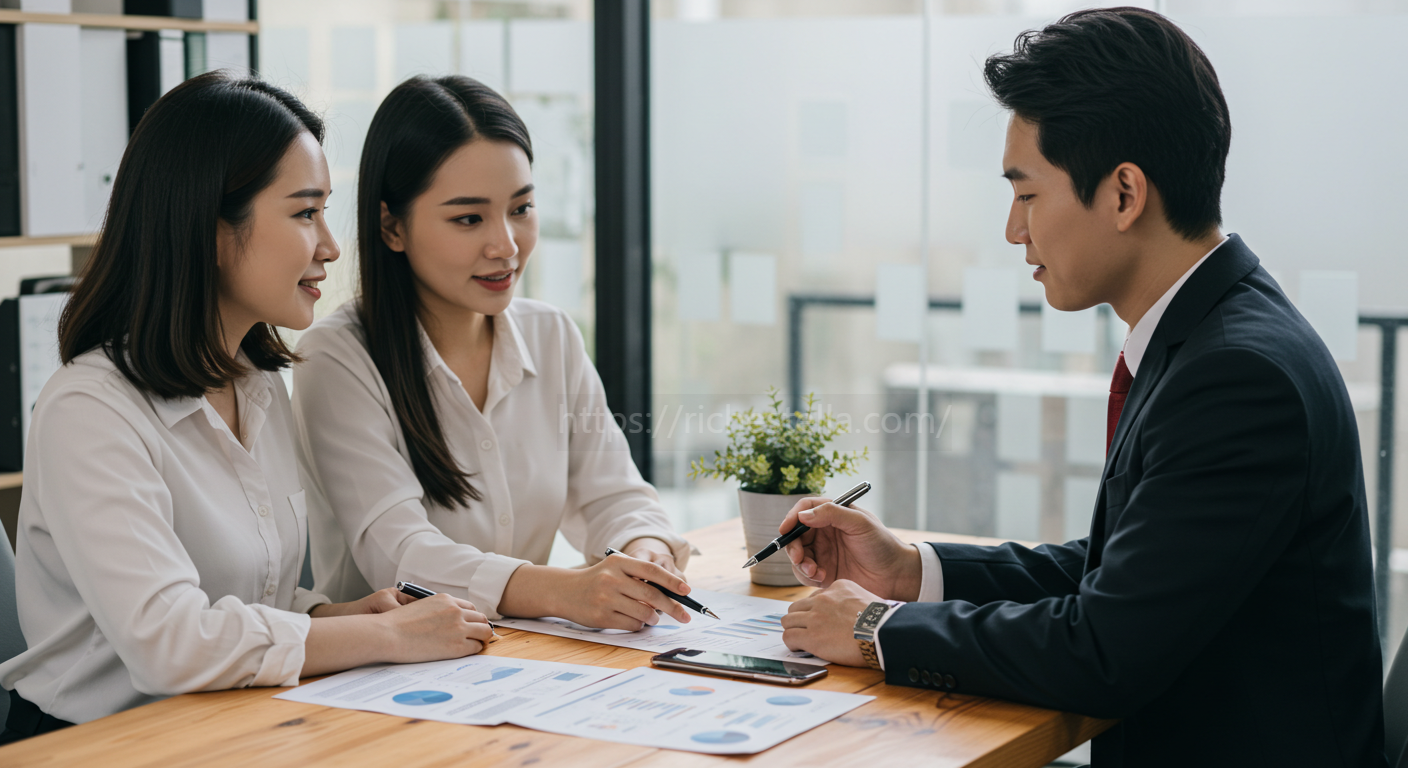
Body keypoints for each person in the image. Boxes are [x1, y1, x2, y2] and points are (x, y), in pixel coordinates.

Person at [777, 9, 1385, 767]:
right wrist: (912, 573)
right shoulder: (1211, 335)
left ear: (1125, 193)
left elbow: (1105, 650)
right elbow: (1119, 575)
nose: (1013, 230)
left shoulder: (1237, 376)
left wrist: (875, 631)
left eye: (1028, 195)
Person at [0, 72, 493, 742]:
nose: (330, 246)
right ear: (208, 227)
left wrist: (332, 618)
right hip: (94, 746)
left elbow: (249, 594)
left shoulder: (257, 385)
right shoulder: (89, 410)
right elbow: (171, 641)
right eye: (302, 213)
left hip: (230, 724)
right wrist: (384, 637)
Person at [292, 75, 693, 631]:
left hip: (519, 664)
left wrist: (643, 550)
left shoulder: (551, 335)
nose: (505, 245)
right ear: (392, 226)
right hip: (384, 679)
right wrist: (566, 591)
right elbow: (401, 557)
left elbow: (615, 497)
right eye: (468, 218)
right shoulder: (337, 359)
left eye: (521, 209)